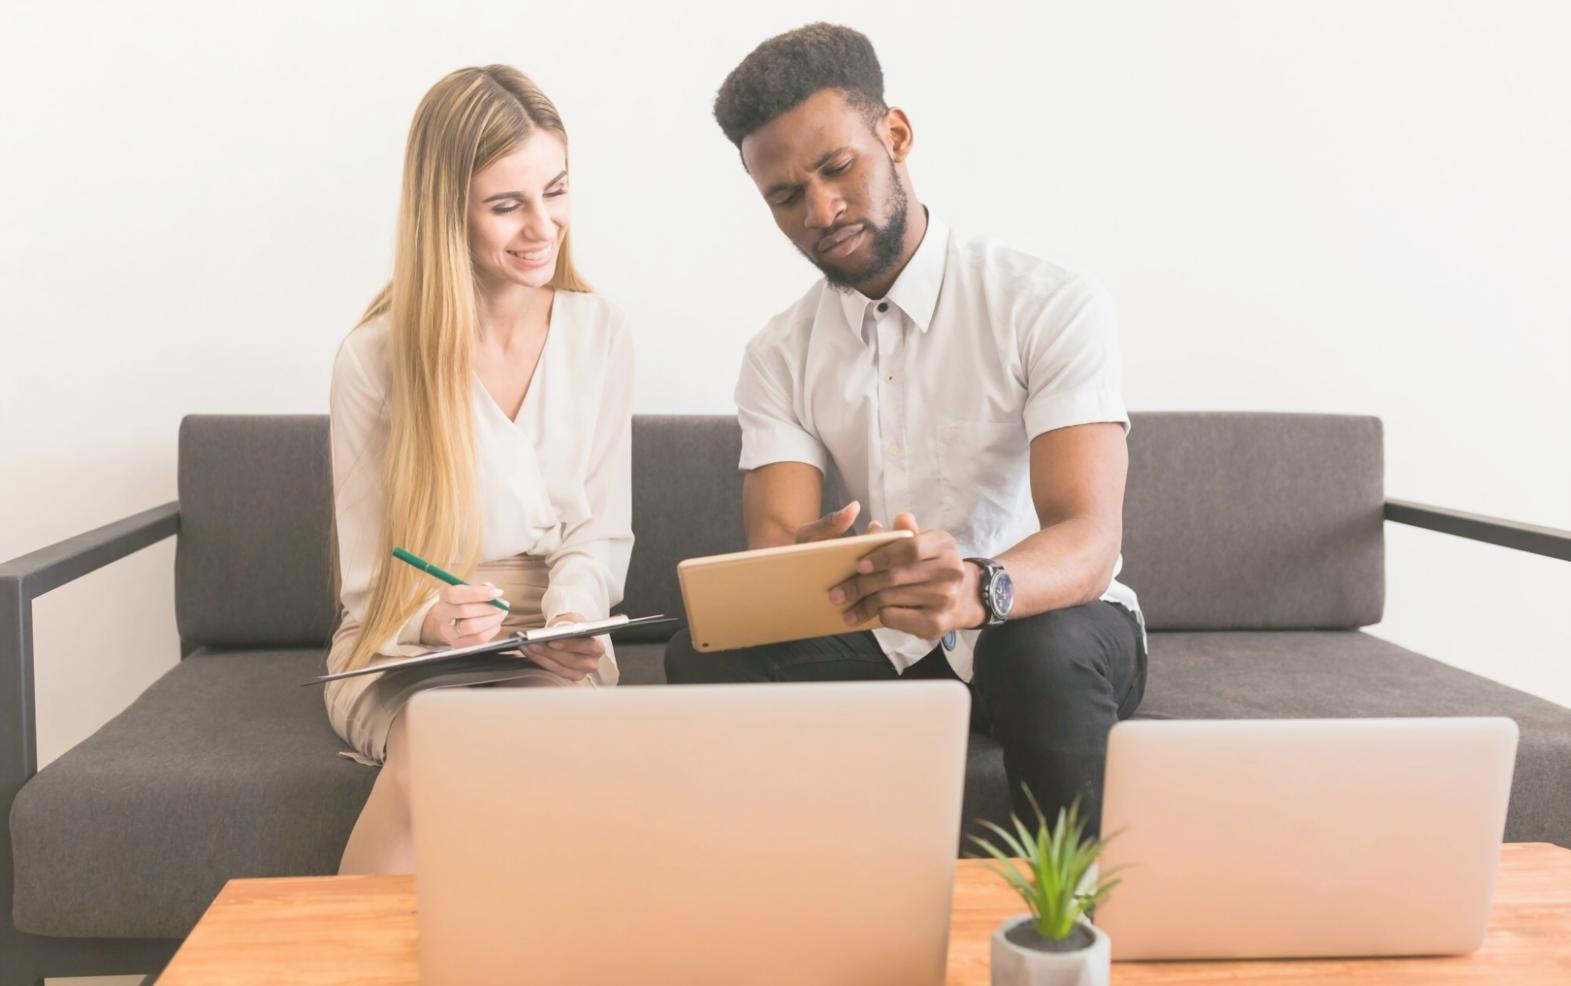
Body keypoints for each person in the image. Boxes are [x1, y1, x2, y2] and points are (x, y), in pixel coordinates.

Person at [664, 23, 1146, 835]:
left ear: (895, 134)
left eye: (836, 168)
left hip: (1036, 618)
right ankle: (784, 925)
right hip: (880, 632)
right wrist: (802, 561)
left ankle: (1069, 938)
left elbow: (1088, 537)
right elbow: (774, 548)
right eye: (786, 196)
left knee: (1034, 656)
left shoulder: (1047, 302)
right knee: (700, 655)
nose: (820, 210)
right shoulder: (778, 353)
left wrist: (977, 588)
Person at [326, 65, 634, 873]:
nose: (543, 227)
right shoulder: (374, 359)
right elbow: (365, 585)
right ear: (446, 212)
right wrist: (433, 620)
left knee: (529, 738)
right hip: (406, 646)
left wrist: (572, 620)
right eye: (507, 205)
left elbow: (597, 535)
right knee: (434, 751)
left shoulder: (597, 332)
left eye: (556, 192)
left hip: (550, 639)